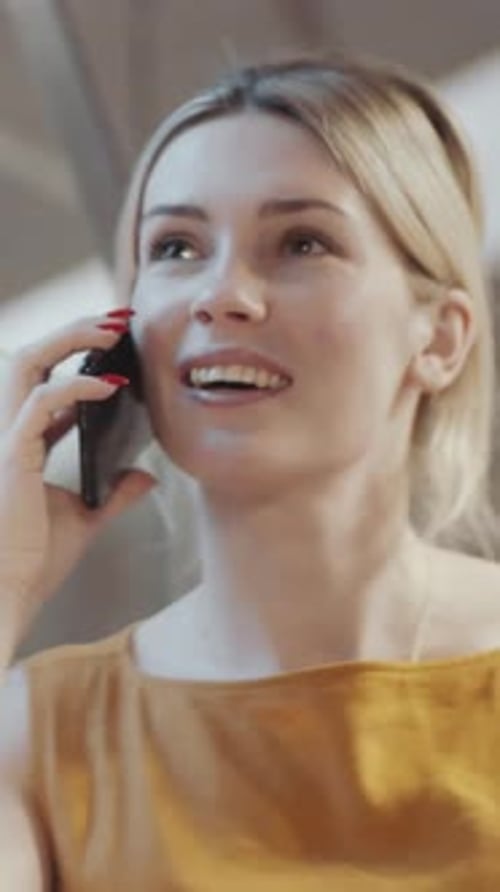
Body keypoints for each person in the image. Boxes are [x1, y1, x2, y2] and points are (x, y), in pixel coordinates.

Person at [1, 51, 500, 890]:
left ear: (440, 337)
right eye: (176, 247)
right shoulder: (37, 736)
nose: (220, 295)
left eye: (302, 242)